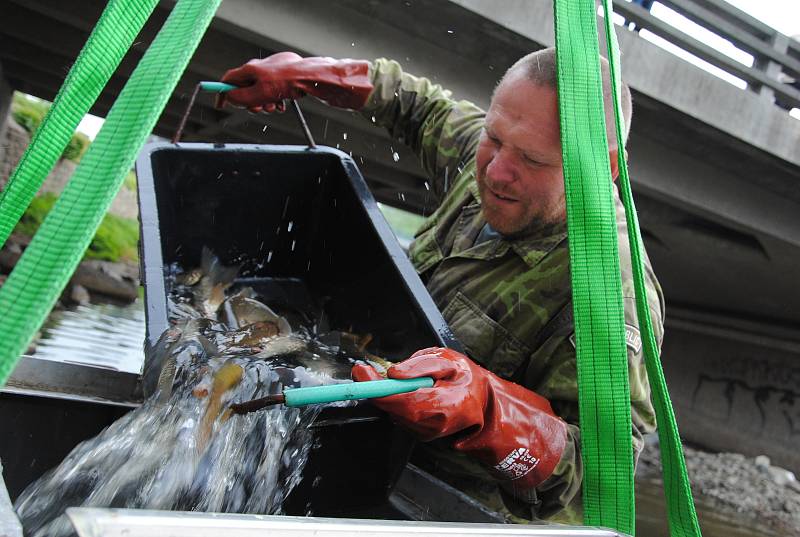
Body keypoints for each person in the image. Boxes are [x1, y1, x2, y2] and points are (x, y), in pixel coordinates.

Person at [216, 48, 664, 524]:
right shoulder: (494, 156)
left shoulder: (611, 295)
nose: (494, 174)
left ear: (605, 168)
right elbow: (419, 105)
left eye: (532, 161)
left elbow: (600, 478)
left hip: (446, 512)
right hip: (356, 441)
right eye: (493, 138)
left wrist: (487, 410)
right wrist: (312, 75)